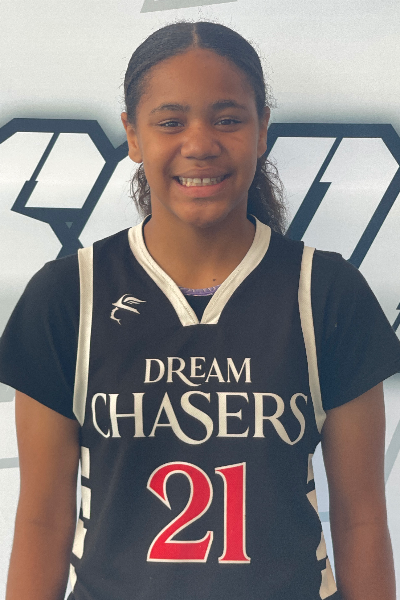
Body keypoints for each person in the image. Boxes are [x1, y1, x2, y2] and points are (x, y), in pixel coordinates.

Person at [1, 20, 400, 600]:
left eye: (228, 119)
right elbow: (41, 520)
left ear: (262, 129)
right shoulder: (67, 296)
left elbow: (361, 518)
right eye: (170, 122)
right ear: (132, 135)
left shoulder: (326, 292)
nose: (200, 143)